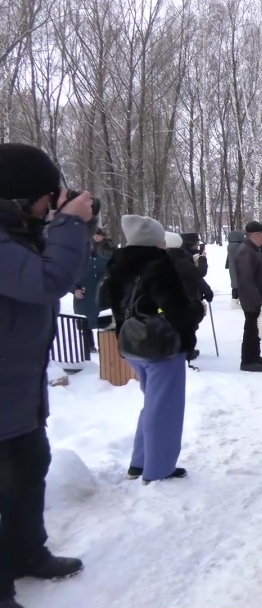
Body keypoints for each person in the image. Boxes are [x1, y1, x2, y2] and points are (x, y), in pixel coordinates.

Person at [0, 143, 92, 608]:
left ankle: (25, 553)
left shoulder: (18, 234)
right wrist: (70, 223)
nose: (49, 207)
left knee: (29, 472)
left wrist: (59, 224)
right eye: (45, 198)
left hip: (19, 396)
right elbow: (46, 282)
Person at [100, 216, 202, 483]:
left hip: (132, 342)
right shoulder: (159, 264)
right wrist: (195, 312)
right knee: (165, 408)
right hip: (161, 345)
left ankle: (140, 462)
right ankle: (158, 469)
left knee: (153, 404)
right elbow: (176, 309)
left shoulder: (118, 263)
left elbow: (112, 304)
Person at [164, 232, 213, 360]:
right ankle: (186, 353)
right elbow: (198, 273)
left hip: (174, 296)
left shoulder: (166, 258)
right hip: (185, 295)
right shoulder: (179, 259)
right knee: (187, 326)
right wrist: (202, 258)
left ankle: (185, 351)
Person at [235, 221, 262, 372]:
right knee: (251, 330)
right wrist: (257, 301)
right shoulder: (246, 251)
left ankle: (255, 356)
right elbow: (246, 280)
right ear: (256, 235)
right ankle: (247, 361)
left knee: (255, 329)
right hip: (252, 300)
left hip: (258, 298)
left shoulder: (254, 249)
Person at [72, 228, 114, 353]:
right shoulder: (79, 258)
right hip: (84, 296)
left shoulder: (106, 253)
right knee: (85, 324)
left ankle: (107, 349)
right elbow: (69, 276)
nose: (95, 239)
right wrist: (74, 290)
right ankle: (88, 348)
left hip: (102, 295)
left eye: (98, 236)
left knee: (106, 322)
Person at [225, 230, 244, 308]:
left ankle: (234, 300)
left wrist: (227, 265)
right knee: (241, 283)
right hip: (241, 267)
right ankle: (239, 300)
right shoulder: (240, 246)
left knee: (234, 283)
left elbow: (228, 257)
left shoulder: (229, 246)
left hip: (232, 267)